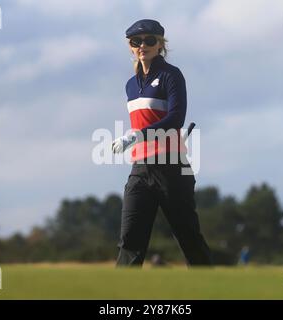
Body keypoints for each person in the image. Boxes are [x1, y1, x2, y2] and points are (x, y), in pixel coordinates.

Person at [112, 19, 213, 266]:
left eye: (149, 40)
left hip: (172, 168)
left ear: (160, 44)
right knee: (130, 240)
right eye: (136, 42)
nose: (142, 45)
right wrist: (138, 138)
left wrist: (137, 135)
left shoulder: (171, 75)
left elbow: (176, 117)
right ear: (130, 47)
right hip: (140, 168)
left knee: (188, 238)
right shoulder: (130, 85)